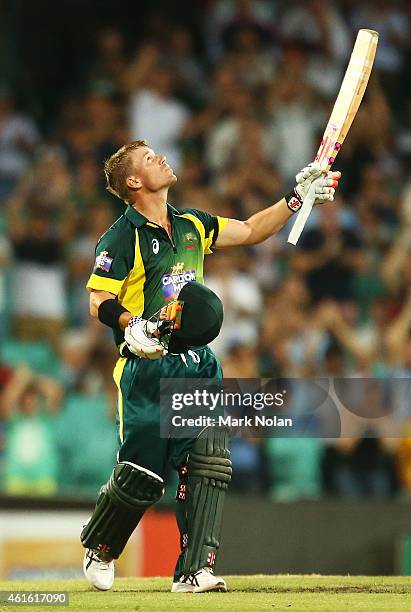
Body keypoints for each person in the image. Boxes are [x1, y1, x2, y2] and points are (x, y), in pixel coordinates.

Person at [81, 139, 340, 593]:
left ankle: (194, 570)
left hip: (197, 364)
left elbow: (251, 230)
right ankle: (101, 547)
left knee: (208, 464)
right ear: (134, 182)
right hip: (148, 364)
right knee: (143, 474)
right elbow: (98, 298)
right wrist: (131, 325)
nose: (160, 157)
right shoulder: (121, 237)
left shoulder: (191, 224)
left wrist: (297, 198)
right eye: (148, 159)